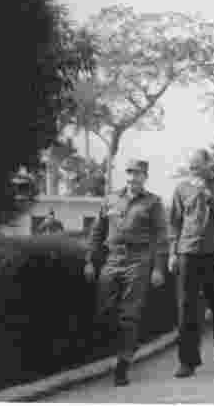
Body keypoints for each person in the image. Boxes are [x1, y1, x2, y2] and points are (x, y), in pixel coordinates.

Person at [84, 158, 168, 387]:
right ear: (126, 175)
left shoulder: (153, 202)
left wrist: (159, 268)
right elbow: (97, 232)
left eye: (138, 173)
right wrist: (90, 261)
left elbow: (161, 237)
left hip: (138, 261)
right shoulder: (111, 198)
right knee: (104, 309)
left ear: (145, 177)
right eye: (130, 173)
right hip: (112, 259)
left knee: (129, 314)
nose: (133, 177)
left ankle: (122, 364)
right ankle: (127, 346)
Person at [167, 149, 214, 378]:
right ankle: (187, 361)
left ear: (209, 164)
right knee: (186, 308)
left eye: (197, 165)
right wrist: (172, 253)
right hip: (187, 252)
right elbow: (175, 223)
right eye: (191, 166)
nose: (193, 169)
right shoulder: (181, 188)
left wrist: (206, 193)